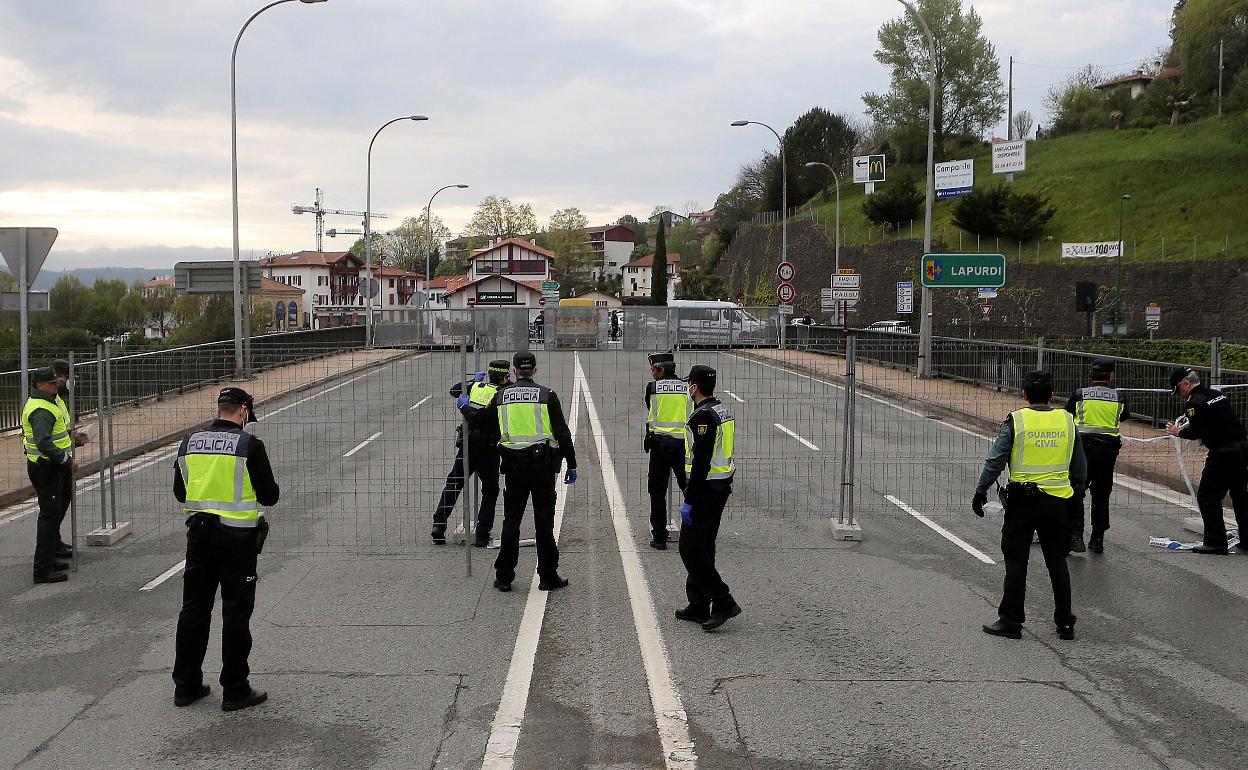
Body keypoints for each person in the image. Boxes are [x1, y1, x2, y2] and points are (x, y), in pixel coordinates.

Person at [172, 387, 279, 711]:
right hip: (237, 541)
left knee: (193, 610)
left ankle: (186, 686)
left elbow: (180, 492)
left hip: (199, 537)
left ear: (220, 409)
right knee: (235, 613)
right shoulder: (248, 444)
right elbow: (269, 495)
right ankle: (235, 688)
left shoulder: (190, 442)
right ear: (243, 411)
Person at [973, 371, 1086, 641]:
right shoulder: (1067, 421)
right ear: (1051, 395)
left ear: (1023, 394)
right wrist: (1076, 492)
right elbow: (1079, 465)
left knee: (1016, 562)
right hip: (1058, 501)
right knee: (1057, 562)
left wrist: (981, 491)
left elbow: (996, 460)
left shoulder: (1017, 421)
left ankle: (1011, 621)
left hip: (1023, 503)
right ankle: (1065, 623)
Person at [481, 351, 576, 592]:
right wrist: (571, 464)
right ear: (535, 370)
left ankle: (504, 576)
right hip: (542, 467)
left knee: (511, 520)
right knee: (543, 522)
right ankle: (547, 575)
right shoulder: (546, 395)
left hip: (513, 467)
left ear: (514, 371)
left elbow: (487, 424)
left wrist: (467, 408)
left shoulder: (501, 396)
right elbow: (562, 433)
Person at [676, 364, 741, 631]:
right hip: (720, 485)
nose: (687, 388)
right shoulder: (721, 410)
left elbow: (701, 462)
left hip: (706, 489)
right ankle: (699, 603)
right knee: (704, 546)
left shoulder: (702, 417)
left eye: (689, 383)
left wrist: (689, 499)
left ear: (695, 386)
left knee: (689, 550)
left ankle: (723, 600)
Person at [1166, 367, 1248, 554]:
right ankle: (1247, 539)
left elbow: (1199, 431)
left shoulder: (1193, 402)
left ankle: (1215, 542)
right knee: (1241, 496)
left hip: (1223, 452)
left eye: (1178, 390)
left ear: (1185, 384)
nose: (1179, 395)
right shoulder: (1215, 395)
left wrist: (1179, 432)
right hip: (1242, 448)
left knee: (1207, 496)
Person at [432, 360, 509, 547]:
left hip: (468, 445)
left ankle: (439, 525)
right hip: (489, 448)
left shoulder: (476, 386)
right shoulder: (503, 393)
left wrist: (473, 381)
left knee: (454, 483)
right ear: (505, 377)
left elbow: (454, 390)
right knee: (490, 491)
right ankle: (482, 534)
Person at [1064, 358, 1130, 554]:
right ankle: (1097, 538)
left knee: (1076, 492)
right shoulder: (1120, 397)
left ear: (1092, 375)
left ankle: (1075, 536)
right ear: (1111, 376)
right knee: (1101, 496)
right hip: (1107, 453)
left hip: (1082, 451)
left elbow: (1067, 414)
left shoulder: (1079, 394)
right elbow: (1124, 416)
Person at [23, 367, 77, 584]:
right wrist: (66, 459)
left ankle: (51, 556)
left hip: (51, 466)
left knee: (54, 512)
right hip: (46, 467)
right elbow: (43, 442)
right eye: (53, 383)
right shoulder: (42, 410)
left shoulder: (47, 402)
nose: (57, 386)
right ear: (40, 385)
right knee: (48, 516)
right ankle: (42, 570)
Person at [644, 351, 689, 550]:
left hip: (659, 444)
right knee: (688, 488)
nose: (652, 373)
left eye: (654, 369)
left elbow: (649, 407)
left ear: (662, 370)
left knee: (657, 491)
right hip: (683, 445)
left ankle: (660, 537)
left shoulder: (652, 388)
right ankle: (694, 532)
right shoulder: (687, 387)